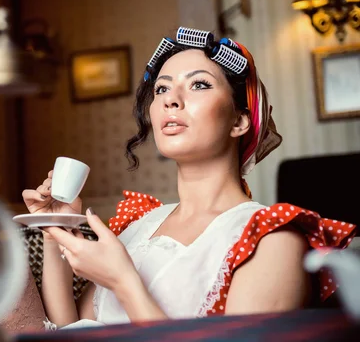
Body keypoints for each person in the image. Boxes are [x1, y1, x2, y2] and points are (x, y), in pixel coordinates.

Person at [21, 27, 357, 329]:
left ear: (239, 122)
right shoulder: (140, 223)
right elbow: (71, 327)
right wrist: (56, 231)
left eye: (198, 84)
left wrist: (125, 281)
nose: (170, 99)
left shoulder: (273, 240)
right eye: (162, 88)